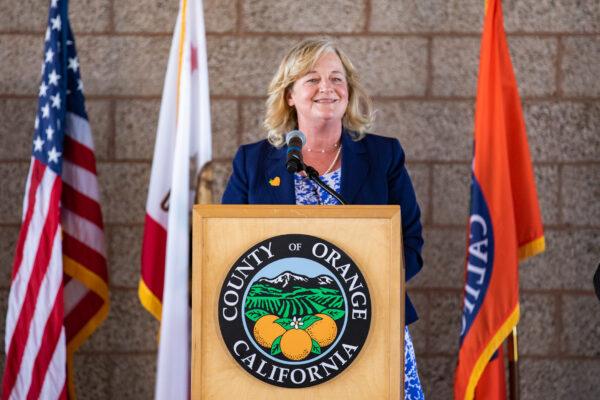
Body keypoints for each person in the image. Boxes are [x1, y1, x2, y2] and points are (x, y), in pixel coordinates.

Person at [222, 38, 425, 399]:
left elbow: (410, 242)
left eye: (337, 78)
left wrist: (368, 293)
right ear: (289, 95)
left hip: (371, 326)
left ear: (348, 92)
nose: (327, 88)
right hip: (278, 342)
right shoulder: (252, 162)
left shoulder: (383, 155)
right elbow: (226, 250)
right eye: (312, 79)